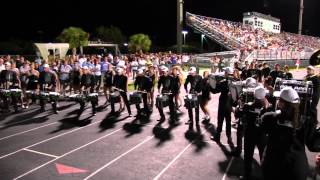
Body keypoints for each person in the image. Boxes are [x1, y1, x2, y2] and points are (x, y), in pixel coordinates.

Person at [261, 87, 308, 180]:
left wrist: (266, 109)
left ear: (282, 103)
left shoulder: (269, 118)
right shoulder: (305, 122)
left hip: (273, 167)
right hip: (297, 169)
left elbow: (263, 127)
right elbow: (313, 144)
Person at [239, 86, 271, 179]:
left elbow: (239, 114)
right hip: (263, 136)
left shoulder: (247, 106)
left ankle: (247, 175)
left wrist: (240, 105)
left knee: (248, 156)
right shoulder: (270, 109)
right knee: (264, 157)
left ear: (254, 95)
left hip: (250, 134)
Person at [211, 67, 235, 144]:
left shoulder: (223, 81)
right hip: (230, 104)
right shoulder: (235, 81)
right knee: (228, 121)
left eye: (225, 72)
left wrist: (210, 84)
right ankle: (229, 138)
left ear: (226, 73)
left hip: (223, 103)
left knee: (220, 120)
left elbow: (214, 91)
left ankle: (217, 137)